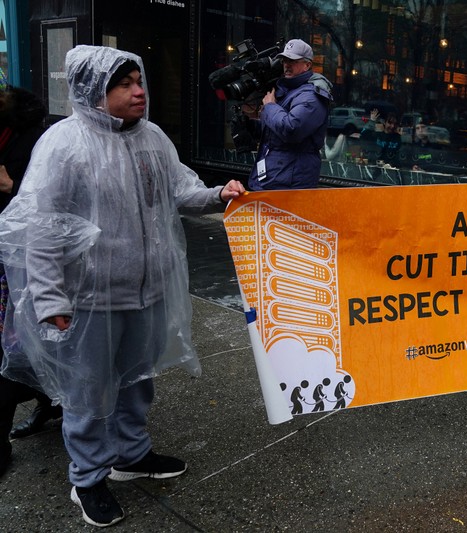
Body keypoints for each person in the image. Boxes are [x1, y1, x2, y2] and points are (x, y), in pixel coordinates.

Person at [0, 46, 244, 526]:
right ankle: (87, 478)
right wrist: (50, 298)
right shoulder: (64, 145)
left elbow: (180, 190)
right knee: (88, 393)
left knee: (137, 383)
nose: (140, 92)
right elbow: (42, 228)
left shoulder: (151, 138)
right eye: (126, 84)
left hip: (147, 291)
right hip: (89, 300)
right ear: (95, 90)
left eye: (140, 81)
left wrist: (218, 194)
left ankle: (131, 456)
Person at [0, 86, 62, 477]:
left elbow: (54, 200)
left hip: (22, 259)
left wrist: (10, 185)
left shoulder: (37, 135)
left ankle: (47, 402)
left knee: (20, 342)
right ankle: (49, 400)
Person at [248, 38, 333, 190]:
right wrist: (251, 126)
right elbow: (276, 133)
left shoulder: (312, 95)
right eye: (285, 60)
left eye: (293, 61)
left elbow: (291, 129)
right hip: (275, 178)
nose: (287, 65)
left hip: (289, 184)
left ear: (307, 65)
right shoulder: (288, 90)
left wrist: (270, 107)